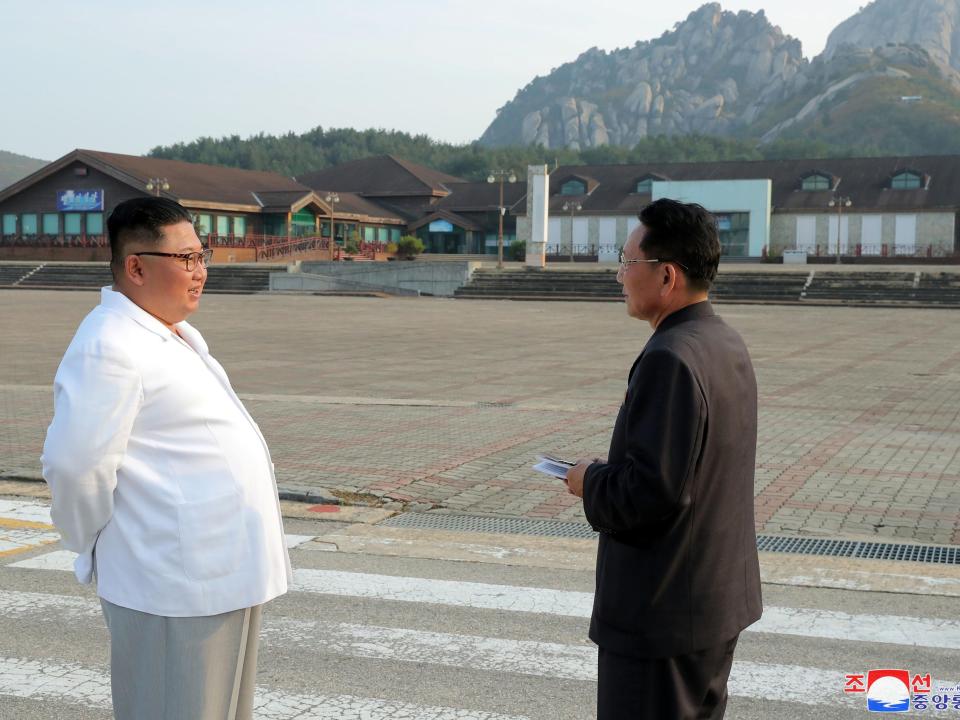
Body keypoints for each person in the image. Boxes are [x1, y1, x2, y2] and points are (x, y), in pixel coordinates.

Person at [42, 197, 291, 720]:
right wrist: (90, 543)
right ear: (136, 267)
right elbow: (76, 467)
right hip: (170, 584)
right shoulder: (109, 346)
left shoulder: (167, 333)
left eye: (202, 257)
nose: (200, 273)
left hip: (218, 575)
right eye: (185, 260)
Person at [565, 198, 762, 720]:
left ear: (667, 275)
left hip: (662, 615)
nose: (619, 277)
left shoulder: (670, 358)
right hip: (712, 601)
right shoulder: (723, 341)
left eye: (628, 263)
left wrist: (588, 480)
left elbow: (651, 492)